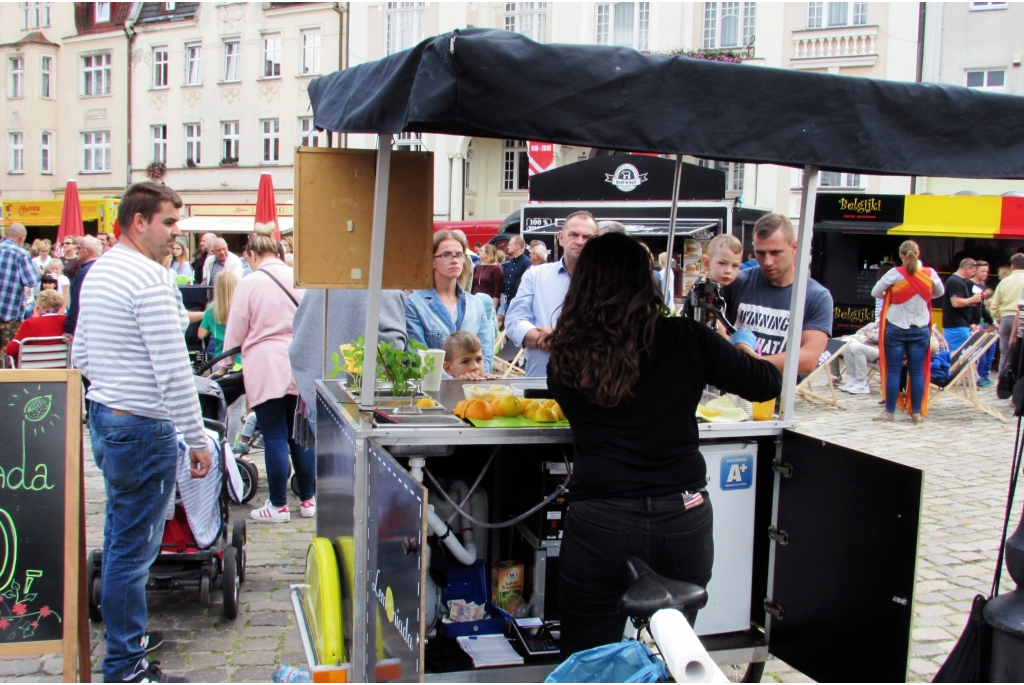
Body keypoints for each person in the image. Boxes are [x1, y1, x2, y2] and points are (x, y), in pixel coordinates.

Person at [546, 233, 781, 656]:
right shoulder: (686, 336)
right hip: (682, 517)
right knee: (677, 654)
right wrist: (738, 343)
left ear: (582, 285)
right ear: (647, 281)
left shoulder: (568, 350)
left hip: (601, 519)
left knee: (586, 658)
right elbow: (765, 383)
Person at [73, 182, 210, 684]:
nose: (177, 233)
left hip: (108, 416)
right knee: (133, 554)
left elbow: (81, 354)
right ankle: (125, 667)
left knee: (118, 544)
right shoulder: (149, 279)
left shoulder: (100, 269)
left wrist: (113, 381)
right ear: (139, 221)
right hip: (142, 424)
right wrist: (197, 439)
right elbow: (174, 370)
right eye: (170, 222)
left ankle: (124, 647)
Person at [223, 225, 316, 524]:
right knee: (300, 435)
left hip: (265, 363)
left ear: (252, 254)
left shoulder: (249, 283)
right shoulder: (298, 278)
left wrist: (222, 367)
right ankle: (308, 500)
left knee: (274, 433)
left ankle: (278, 505)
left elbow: (236, 331)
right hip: (299, 360)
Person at [723, 213, 833, 373]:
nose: (767, 262)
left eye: (775, 253)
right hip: (732, 392)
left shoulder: (815, 296)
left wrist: (752, 363)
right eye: (760, 253)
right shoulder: (738, 281)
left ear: (794, 248)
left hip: (779, 392)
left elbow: (809, 358)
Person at [505, 211, 600, 378]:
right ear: (561, 237)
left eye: (587, 237)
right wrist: (543, 339)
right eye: (574, 235)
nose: (580, 241)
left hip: (591, 384)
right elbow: (514, 321)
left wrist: (560, 338)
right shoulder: (535, 275)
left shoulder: (607, 281)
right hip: (540, 382)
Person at [871, 240, 944, 424]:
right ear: (917, 253)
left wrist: (893, 295)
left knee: (894, 370)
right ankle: (916, 413)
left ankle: (889, 412)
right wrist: (923, 294)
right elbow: (940, 292)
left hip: (896, 326)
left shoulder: (894, 274)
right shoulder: (930, 274)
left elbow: (875, 292)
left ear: (901, 255)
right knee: (917, 371)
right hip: (920, 329)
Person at [406, 230, 494, 372]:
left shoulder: (476, 304)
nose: (454, 260)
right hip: (434, 390)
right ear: (432, 261)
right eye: (446, 255)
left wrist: (480, 379)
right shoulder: (414, 304)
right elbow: (417, 357)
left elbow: (486, 354)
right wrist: (456, 382)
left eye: (459, 255)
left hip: (472, 390)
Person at [681, 233, 742, 330]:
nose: (728, 271)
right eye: (722, 263)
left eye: (735, 265)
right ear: (706, 262)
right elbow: (716, 327)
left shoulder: (717, 286)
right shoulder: (705, 291)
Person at [0, 223, 39, 369]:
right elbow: (31, 281)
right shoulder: (20, 253)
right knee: (9, 355)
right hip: (9, 315)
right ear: (21, 237)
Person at [5, 290, 65, 365]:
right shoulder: (66, 321)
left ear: (41, 305)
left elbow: (10, 350)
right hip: (60, 371)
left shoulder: (31, 323)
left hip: (32, 371)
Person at [990, 253, 1024, 375]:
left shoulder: (1004, 282)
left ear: (1012, 266)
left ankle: (1003, 382)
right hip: (1021, 319)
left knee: (1004, 354)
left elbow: (994, 306)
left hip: (1005, 318)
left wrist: (999, 318)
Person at [63, 236, 102, 341]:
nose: (77, 251)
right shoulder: (103, 266)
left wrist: (70, 329)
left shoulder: (85, 271)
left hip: (84, 326)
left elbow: (77, 300)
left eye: (79, 248)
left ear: (88, 250)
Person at [941, 258, 981, 353]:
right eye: (973, 271)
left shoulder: (959, 281)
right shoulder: (955, 282)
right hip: (956, 325)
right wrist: (973, 299)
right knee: (960, 355)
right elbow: (956, 303)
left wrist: (970, 323)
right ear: (967, 268)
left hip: (960, 324)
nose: (973, 274)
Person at [198, 271, 238, 359]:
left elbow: (201, 334)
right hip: (241, 359)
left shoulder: (210, 309)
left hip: (220, 359)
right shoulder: (242, 307)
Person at [970, 261, 997, 386]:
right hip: (971, 324)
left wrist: (992, 321)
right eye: (983, 271)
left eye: (987, 271)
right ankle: (978, 377)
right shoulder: (969, 285)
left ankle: (982, 377)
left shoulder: (981, 287)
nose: (985, 274)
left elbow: (981, 308)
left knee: (985, 352)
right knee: (977, 353)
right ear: (975, 271)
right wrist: (972, 322)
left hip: (978, 323)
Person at [836, 321, 880, 395]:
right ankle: (854, 379)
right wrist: (866, 337)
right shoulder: (872, 325)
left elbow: (885, 338)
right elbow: (859, 332)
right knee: (846, 346)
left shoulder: (888, 326)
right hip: (865, 345)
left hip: (879, 350)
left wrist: (871, 336)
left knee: (858, 348)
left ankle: (862, 383)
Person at [501, 235, 531, 311]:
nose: (508, 247)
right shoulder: (510, 262)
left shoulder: (526, 263)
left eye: (510, 245)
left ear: (517, 246)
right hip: (508, 301)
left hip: (520, 304)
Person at [471, 244, 503, 310]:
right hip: (475, 302)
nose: (478, 252)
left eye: (481, 250)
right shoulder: (478, 267)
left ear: (487, 254)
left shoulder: (497, 269)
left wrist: (493, 309)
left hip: (488, 304)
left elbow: (497, 291)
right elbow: (473, 286)